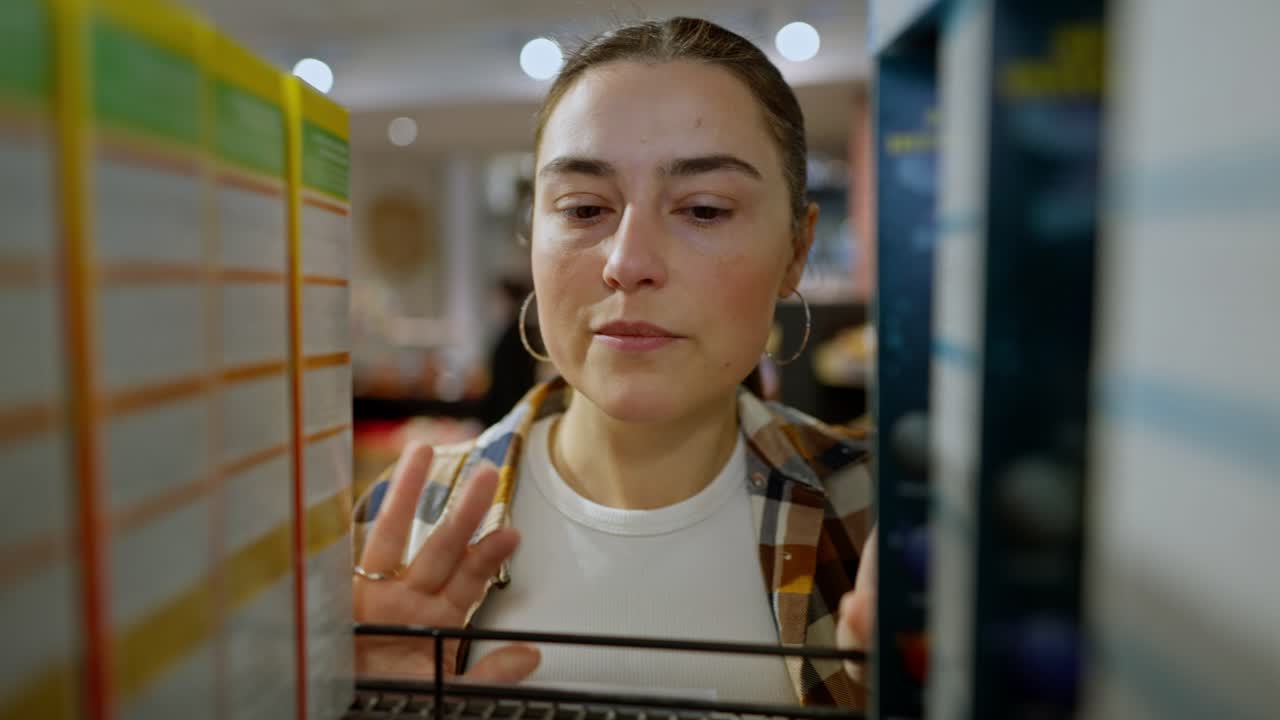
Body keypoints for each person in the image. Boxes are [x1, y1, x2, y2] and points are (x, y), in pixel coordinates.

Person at [351, 17, 878, 708]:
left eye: (705, 210)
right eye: (584, 208)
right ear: (532, 234)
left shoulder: (875, 520)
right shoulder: (406, 525)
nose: (628, 263)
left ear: (797, 250)